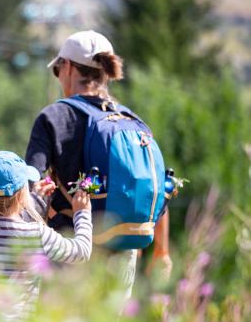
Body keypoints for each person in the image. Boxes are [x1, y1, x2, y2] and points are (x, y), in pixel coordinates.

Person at [25, 30, 172, 300]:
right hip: (123, 252)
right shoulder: (132, 120)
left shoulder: (54, 117)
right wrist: (162, 251)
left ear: (67, 67)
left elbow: (29, 186)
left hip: (69, 251)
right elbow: (157, 188)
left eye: (57, 69)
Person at [0, 151, 92, 322]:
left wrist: (35, 200)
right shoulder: (37, 234)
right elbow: (81, 252)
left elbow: (7, 225)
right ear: (21, 195)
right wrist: (82, 213)